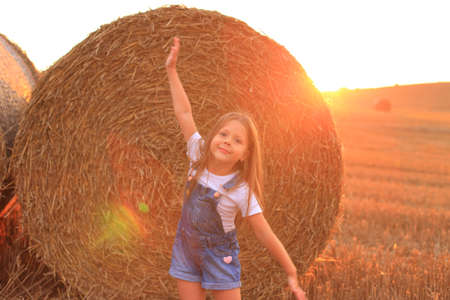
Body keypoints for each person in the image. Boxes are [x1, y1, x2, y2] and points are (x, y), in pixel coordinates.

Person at [166, 37, 307, 300]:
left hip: (221, 257)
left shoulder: (242, 191)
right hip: (186, 251)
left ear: (245, 155)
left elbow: (264, 233)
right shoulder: (197, 153)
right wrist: (171, 70)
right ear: (213, 138)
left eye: (238, 140)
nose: (227, 141)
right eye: (223, 134)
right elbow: (184, 113)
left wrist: (290, 271)